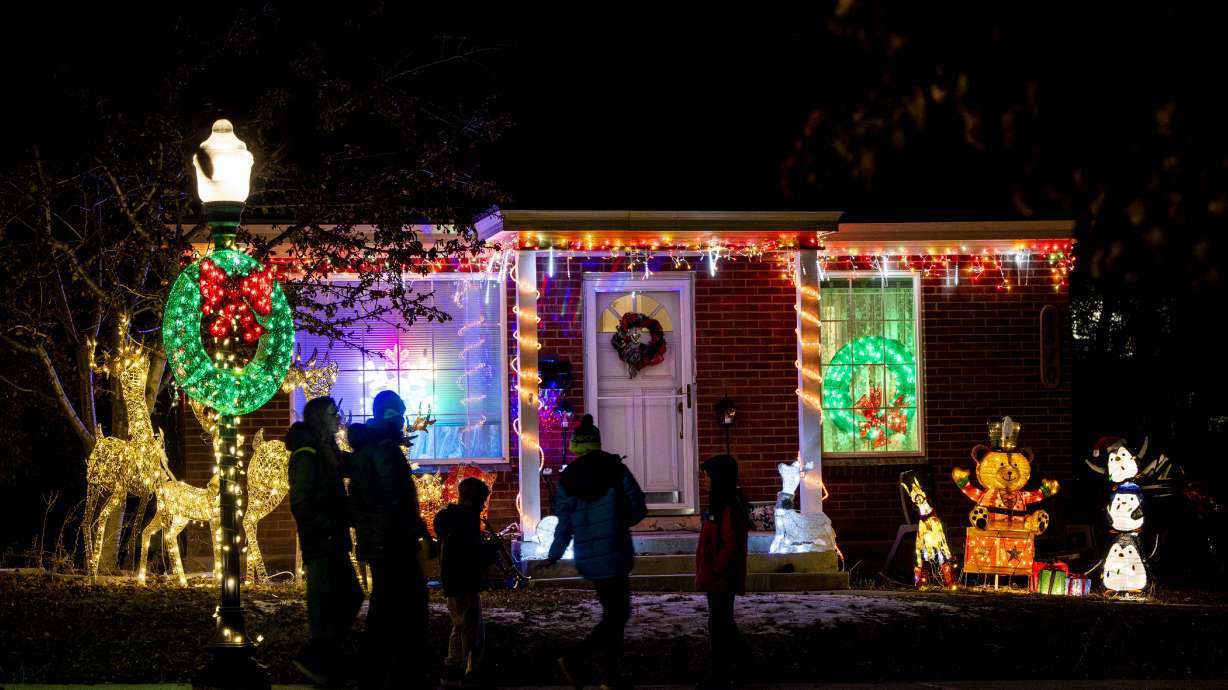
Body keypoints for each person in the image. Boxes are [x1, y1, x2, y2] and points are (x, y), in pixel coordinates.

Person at [547, 414, 647, 689]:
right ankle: (579, 658)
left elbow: (564, 522)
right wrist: (619, 522)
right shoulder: (615, 469)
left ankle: (609, 676)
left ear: (577, 447)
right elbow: (638, 506)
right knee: (618, 615)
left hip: (589, 555)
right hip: (615, 551)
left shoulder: (568, 479)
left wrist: (555, 552)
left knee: (613, 614)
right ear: (598, 443)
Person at [347, 390, 434, 689]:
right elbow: (397, 498)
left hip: (377, 540)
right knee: (407, 604)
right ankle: (404, 671)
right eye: (399, 413)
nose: (403, 419)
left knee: (385, 605)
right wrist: (418, 531)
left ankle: (376, 670)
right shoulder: (385, 450)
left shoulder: (365, 449)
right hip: (393, 540)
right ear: (390, 415)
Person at [285, 396, 364, 688]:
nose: (338, 417)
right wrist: (327, 526)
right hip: (322, 543)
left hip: (334, 540)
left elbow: (348, 464)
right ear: (320, 418)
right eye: (333, 413)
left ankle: (323, 658)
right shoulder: (307, 454)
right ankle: (314, 660)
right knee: (326, 604)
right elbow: (300, 503)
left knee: (349, 597)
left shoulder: (326, 450)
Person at [434, 477, 497, 687]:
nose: (483, 507)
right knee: (470, 630)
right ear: (472, 500)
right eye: (482, 502)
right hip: (464, 581)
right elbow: (472, 555)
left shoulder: (450, 518)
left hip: (453, 580)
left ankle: (453, 668)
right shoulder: (467, 521)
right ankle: (469, 671)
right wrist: (492, 548)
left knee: (460, 626)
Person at [695, 454, 751, 689]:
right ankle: (738, 667)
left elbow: (730, 543)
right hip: (715, 576)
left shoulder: (727, 506)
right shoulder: (718, 503)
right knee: (722, 622)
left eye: (707, 476)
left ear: (719, 478)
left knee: (719, 624)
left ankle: (722, 673)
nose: (704, 481)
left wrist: (717, 567)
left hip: (721, 577)